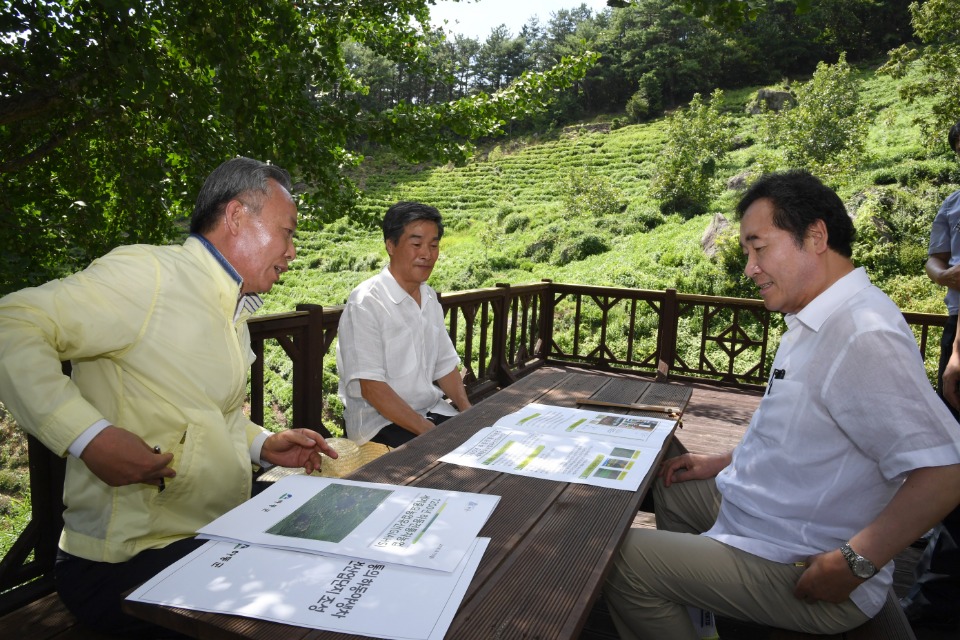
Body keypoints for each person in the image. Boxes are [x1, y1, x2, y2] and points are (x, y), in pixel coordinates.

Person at [602, 169, 960, 639]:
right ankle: (699, 612)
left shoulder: (862, 333)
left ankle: (682, 597)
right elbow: (802, 428)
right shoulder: (814, 316)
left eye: (759, 247)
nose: (749, 266)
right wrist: (722, 460)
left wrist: (854, 562)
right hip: (761, 514)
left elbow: (946, 470)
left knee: (619, 559)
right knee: (673, 482)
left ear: (815, 236)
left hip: (797, 555)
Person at [0, 157, 338, 638]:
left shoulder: (232, 306)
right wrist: (87, 437)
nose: (293, 250)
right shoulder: (151, 275)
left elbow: (205, 412)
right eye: (286, 232)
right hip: (128, 561)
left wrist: (263, 443)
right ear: (237, 216)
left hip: (212, 534)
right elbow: (11, 323)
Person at [336, 201, 471, 448]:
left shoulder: (429, 297)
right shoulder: (366, 301)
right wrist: (429, 432)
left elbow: (445, 365)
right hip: (379, 425)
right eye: (416, 244)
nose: (427, 254)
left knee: (479, 443)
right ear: (391, 245)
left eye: (434, 245)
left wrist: (468, 412)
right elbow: (371, 387)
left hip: (430, 412)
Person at [903, 119, 960, 630]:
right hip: (956, 321)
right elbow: (933, 259)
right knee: (950, 427)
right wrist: (944, 276)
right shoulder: (953, 203)